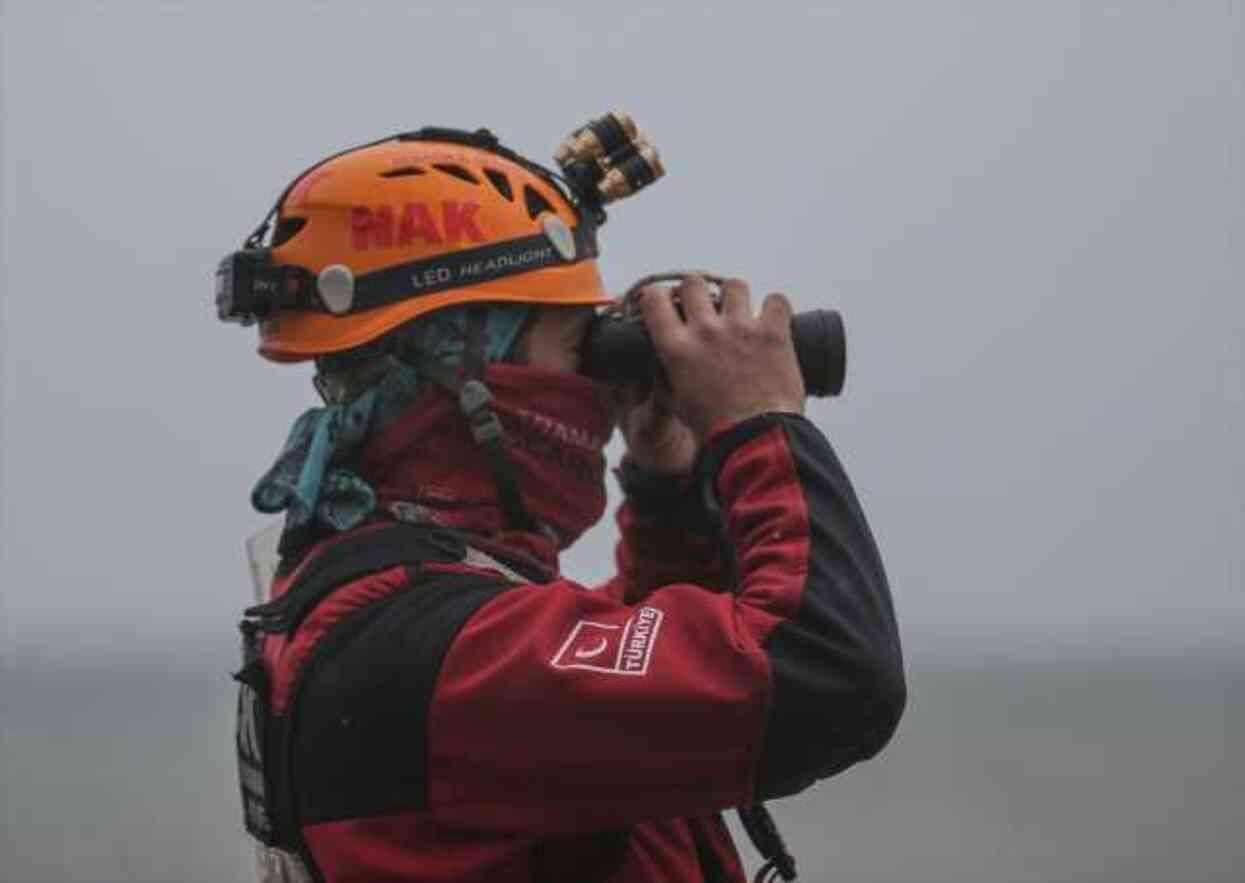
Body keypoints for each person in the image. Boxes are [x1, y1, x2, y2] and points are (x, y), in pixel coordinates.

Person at [223, 125, 906, 883]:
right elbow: (824, 672)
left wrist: (668, 489)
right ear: (463, 366)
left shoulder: (387, 604)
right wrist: (758, 423)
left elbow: (634, 695)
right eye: (579, 346)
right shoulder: (435, 658)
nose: (595, 392)